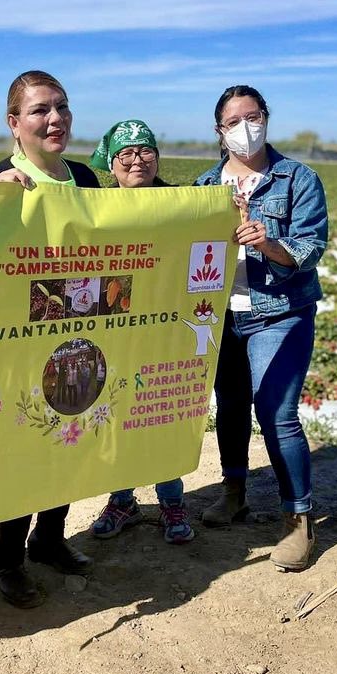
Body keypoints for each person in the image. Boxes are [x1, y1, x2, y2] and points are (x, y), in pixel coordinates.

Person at [0, 70, 98, 608]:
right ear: (14, 123)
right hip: (19, 340)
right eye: (41, 110)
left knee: (72, 436)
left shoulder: (87, 180)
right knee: (24, 448)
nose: (55, 119)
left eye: (62, 108)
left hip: (82, 333)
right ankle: (6, 558)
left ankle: (50, 538)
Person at [194, 85, 328, 572]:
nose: (245, 127)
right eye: (234, 121)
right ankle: (234, 491)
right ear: (219, 131)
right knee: (229, 406)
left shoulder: (297, 179)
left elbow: (311, 248)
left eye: (253, 117)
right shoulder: (207, 184)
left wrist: (269, 243)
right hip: (221, 313)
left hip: (280, 311)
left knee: (276, 412)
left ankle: (299, 520)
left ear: (266, 118)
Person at [84, 119, 194, 545]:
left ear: (157, 157)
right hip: (114, 325)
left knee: (165, 411)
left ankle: (171, 501)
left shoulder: (183, 203)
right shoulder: (96, 206)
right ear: (111, 164)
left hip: (169, 325)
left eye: (145, 151)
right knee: (117, 412)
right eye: (125, 154)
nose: (136, 160)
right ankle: (122, 499)